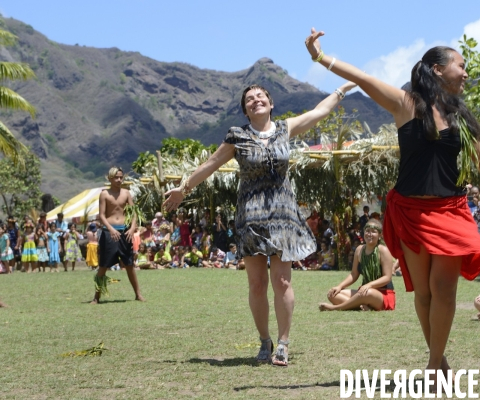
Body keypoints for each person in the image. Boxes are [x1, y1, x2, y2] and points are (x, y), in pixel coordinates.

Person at [304, 29, 480, 378]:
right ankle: (438, 359)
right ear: (436, 69)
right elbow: (364, 77)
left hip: (450, 210)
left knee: (444, 289)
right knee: (423, 294)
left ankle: (434, 364)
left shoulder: (460, 117)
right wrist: (320, 57)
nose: (465, 73)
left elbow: (479, 156)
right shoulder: (407, 104)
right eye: (460, 66)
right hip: (412, 212)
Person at [163, 80, 356, 367]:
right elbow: (211, 164)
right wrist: (184, 188)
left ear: (271, 103)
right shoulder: (237, 136)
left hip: (283, 217)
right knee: (256, 284)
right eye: (250, 99)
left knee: (282, 281)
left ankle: (283, 343)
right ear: (245, 110)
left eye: (261, 96)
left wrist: (342, 90)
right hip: (251, 218)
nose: (256, 100)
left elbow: (318, 112)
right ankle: (264, 340)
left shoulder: (284, 128)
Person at [91, 167, 145, 304]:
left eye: (121, 177)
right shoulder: (104, 194)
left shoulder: (126, 193)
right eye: (116, 177)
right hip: (109, 232)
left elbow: (133, 213)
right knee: (103, 266)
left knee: (129, 264)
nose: (119, 180)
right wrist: (110, 229)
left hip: (124, 232)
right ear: (109, 178)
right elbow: (102, 215)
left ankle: (138, 294)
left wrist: (132, 228)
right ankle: (96, 297)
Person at [319, 219, 395, 311]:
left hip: (382, 294)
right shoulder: (359, 250)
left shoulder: (383, 250)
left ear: (380, 235)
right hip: (363, 292)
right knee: (332, 294)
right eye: (367, 231)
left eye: (373, 232)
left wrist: (369, 285)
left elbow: (387, 277)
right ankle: (362, 307)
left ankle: (336, 308)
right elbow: (354, 274)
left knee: (367, 294)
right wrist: (339, 286)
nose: (369, 234)